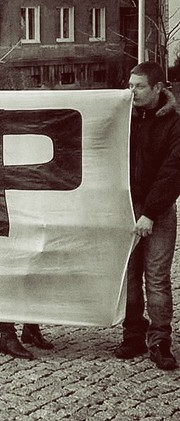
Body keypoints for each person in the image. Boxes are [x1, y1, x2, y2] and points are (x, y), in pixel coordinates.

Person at [114, 62, 180, 371]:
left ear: (158, 88)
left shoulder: (174, 124)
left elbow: (173, 172)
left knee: (156, 277)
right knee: (129, 276)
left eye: (139, 86)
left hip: (159, 212)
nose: (132, 91)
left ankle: (160, 341)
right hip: (127, 208)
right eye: (130, 85)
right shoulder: (124, 119)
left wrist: (150, 212)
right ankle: (133, 335)